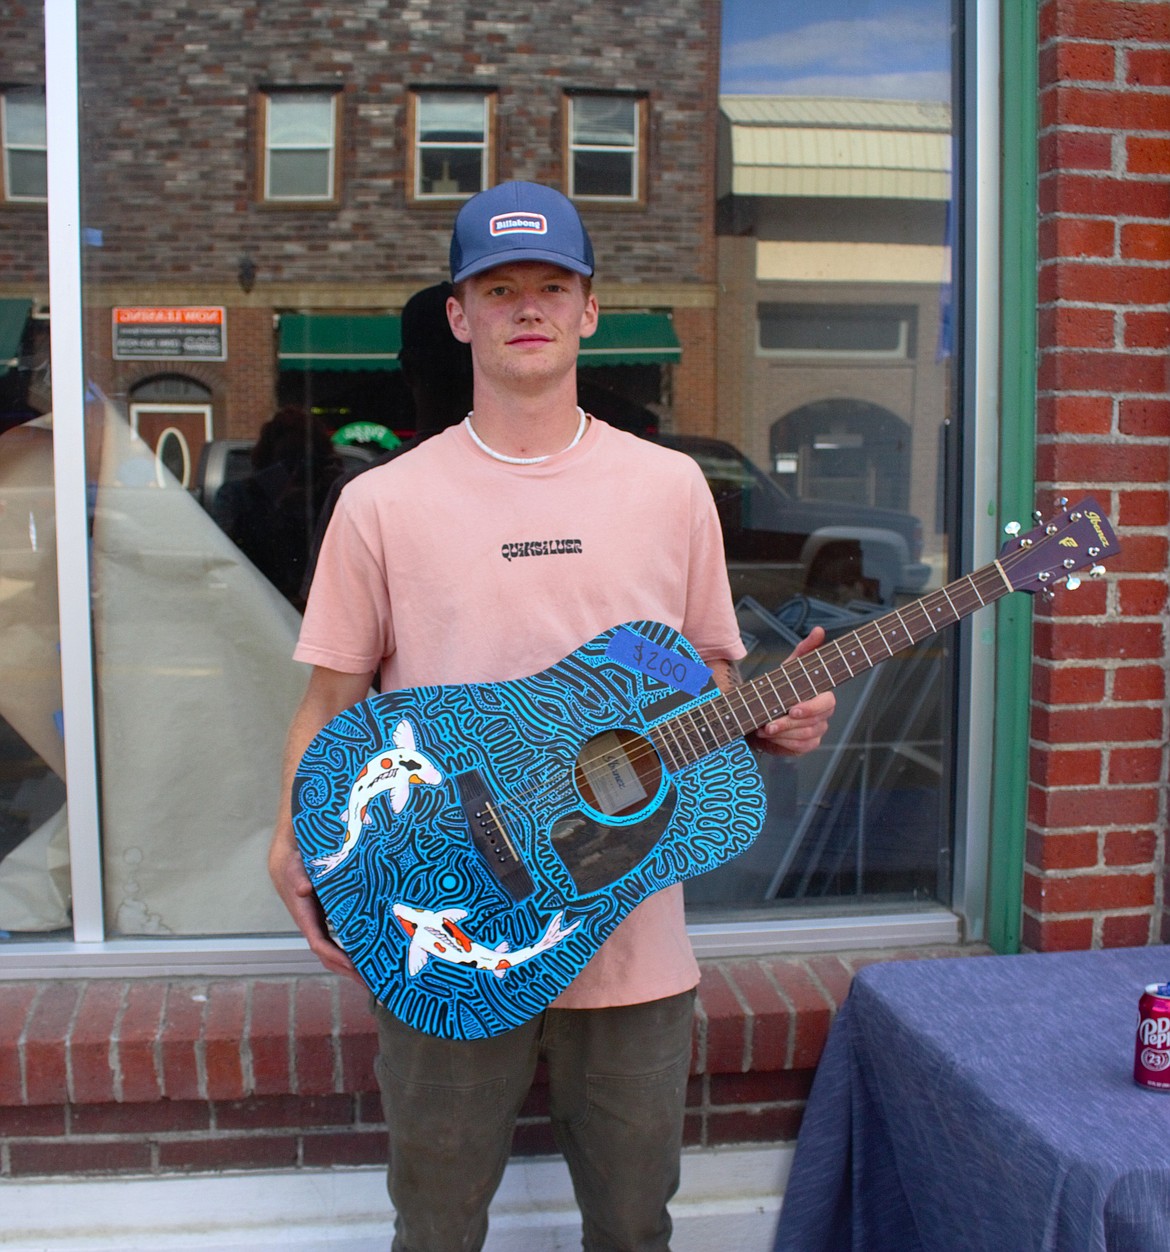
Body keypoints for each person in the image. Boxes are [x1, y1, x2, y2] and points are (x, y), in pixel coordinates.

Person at [268, 181, 836, 1252]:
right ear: (459, 312)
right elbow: (332, 701)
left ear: (587, 308)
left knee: (633, 1227)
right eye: (498, 286)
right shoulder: (382, 502)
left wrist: (771, 720)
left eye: (550, 285)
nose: (525, 306)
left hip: (633, 939)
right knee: (435, 1226)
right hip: (445, 924)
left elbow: (706, 684)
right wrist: (296, 828)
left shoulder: (671, 489)